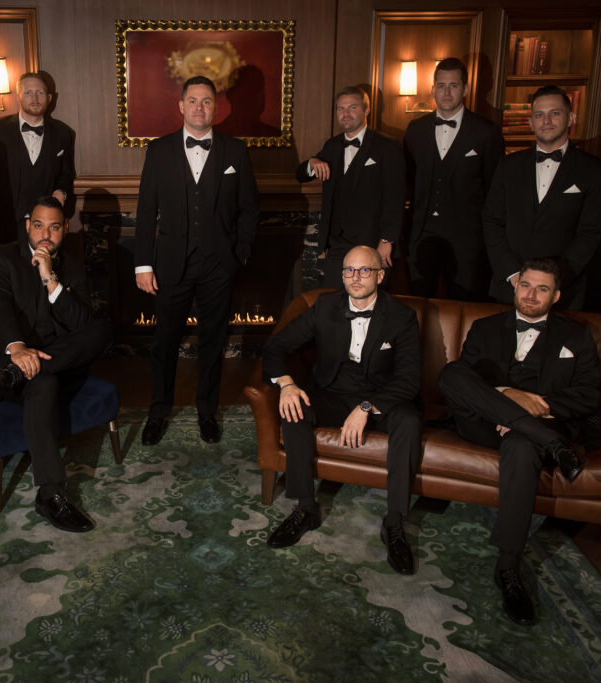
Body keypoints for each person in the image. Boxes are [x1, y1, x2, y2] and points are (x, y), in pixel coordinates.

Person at [438, 258, 601, 625]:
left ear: (556, 296)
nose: (531, 294)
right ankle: (547, 440)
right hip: (483, 423)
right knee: (451, 373)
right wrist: (508, 396)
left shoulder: (576, 336)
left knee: (523, 445)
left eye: (542, 288)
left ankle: (509, 569)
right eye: (526, 285)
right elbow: (468, 382)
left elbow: (589, 396)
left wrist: (533, 416)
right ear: (515, 287)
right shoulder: (485, 328)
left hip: (533, 432)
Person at [260, 245, 422, 575]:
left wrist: (367, 407)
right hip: (333, 393)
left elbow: (409, 379)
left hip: (382, 399)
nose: (355, 277)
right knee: (296, 408)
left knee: (409, 420)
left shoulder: (401, 316)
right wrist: (288, 384)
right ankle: (305, 508)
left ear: (380, 274)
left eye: (365, 270)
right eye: (349, 270)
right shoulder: (324, 306)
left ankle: (394, 522)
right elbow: (276, 345)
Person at [0, 197, 112, 532]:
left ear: (64, 229)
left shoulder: (72, 267)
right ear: (27, 225)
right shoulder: (0, 257)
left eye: (54, 227)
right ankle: (51, 494)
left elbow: (80, 326)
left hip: (51, 363)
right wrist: (17, 349)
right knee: (42, 383)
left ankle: (28, 370)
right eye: (38, 225)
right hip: (6, 365)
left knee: (102, 327)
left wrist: (50, 278)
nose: (45, 234)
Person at [135, 75, 259, 446]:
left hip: (219, 265)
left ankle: (207, 411)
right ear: (181, 105)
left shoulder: (235, 152)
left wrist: (240, 254)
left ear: (216, 107)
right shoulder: (158, 151)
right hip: (171, 263)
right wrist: (143, 264)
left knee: (212, 342)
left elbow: (250, 210)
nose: (199, 108)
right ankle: (158, 412)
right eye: (193, 101)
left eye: (207, 101)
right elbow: (145, 212)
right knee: (164, 342)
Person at [482, 85, 601, 309]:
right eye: (539, 115)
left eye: (555, 113)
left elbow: (590, 233)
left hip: (563, 291)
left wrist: (550, 281)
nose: (546, 121)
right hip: (509, 286)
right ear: (531, 122)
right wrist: (512, 274)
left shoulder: (593, 170)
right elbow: (492, 221)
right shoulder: (508, 166)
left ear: (570, 118)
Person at [403, 58, 504, 300]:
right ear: (432, 89)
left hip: (467, 239)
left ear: (466, 89)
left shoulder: (486, 131)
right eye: (441, 85)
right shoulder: (415, 129)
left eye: (454, 85)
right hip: (421, 234)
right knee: (419, 303)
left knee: (463, 303)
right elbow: (407, 181)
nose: (446, 92)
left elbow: (495, 188)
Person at [296, 86, 404, 289]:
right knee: (334, 303)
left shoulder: (387, 147)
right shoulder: (332, 146)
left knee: (370, 306)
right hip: (337, 245)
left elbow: (395, 198)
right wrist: (312, 163)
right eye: (340, 108)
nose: (345, 113)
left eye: (352, 107)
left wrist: (387, 240)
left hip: (372, 244)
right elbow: (300, 174)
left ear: (367, 110)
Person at [0, 72, 76, 244]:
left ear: (49, 97)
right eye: (28, 92)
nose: (35, 98)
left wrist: (61, 191)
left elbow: (66, 174)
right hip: (2, 228)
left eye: (39, 93)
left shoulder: (64, 134)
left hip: (45, 231)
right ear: (18, 97)